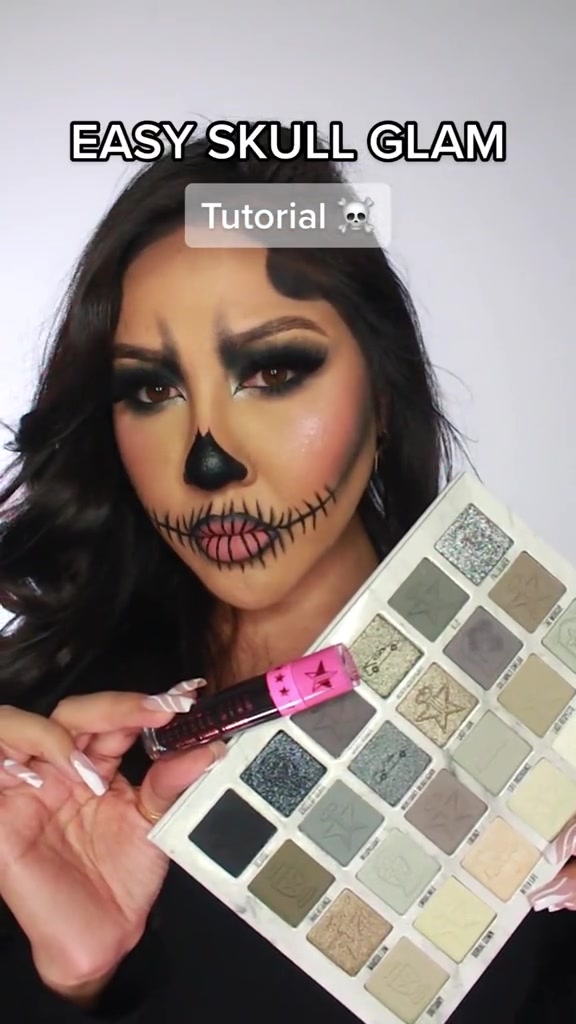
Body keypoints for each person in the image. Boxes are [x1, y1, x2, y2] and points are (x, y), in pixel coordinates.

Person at [0, 126, 574, 1024]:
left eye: (271, 370)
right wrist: (71, 981)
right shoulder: (36, 759)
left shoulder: (552, 694)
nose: (208, 461)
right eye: (152, 390)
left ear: (383, 397)